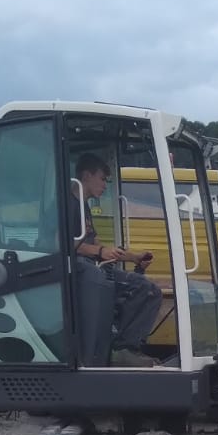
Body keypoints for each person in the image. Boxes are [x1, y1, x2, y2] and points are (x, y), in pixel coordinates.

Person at [71, 152, 163, 363]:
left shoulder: (83, 204)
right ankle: (123, 350)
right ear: (87, 175)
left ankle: (118, 346)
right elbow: (63, 244)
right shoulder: (68, 205)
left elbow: (93, 243)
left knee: (143, 288)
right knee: (146, 290)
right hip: (79, 272)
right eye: (103, 178)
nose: (105, 185)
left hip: (92, 269)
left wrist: (134, 258)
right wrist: (100, 253)